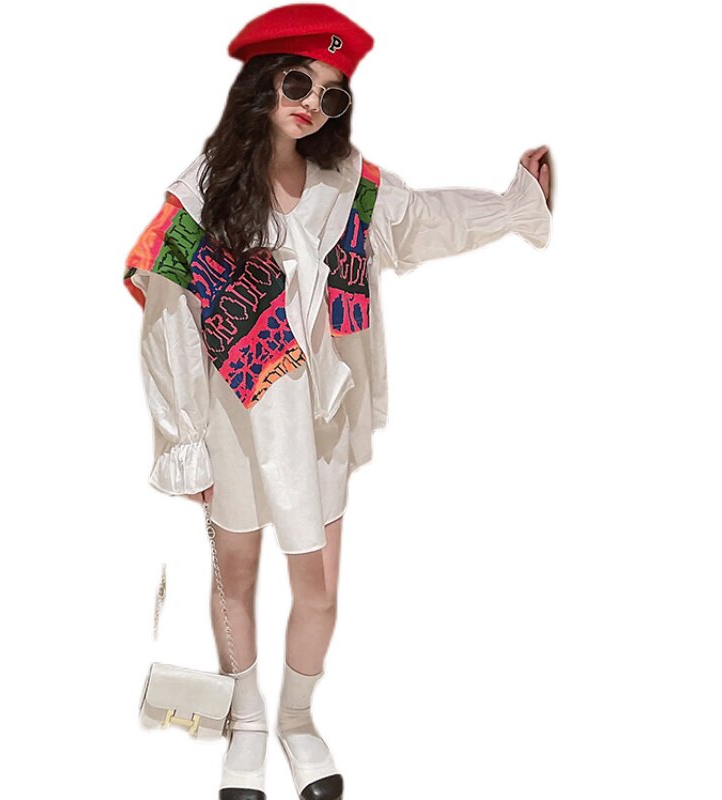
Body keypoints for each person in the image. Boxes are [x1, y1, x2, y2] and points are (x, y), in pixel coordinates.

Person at [123, 4, 553, 799]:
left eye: (331, 94)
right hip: (236, 419)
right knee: (236, 573)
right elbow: (168, 319)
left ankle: (296, 717)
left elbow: (426, 221)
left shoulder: (348, 186)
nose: (312, 104)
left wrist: (515, 202)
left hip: (317, 422)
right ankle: (248, 721)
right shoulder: (201, 197)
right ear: (262, 83)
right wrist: (182, 438)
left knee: (318, 587)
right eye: (298, 82)